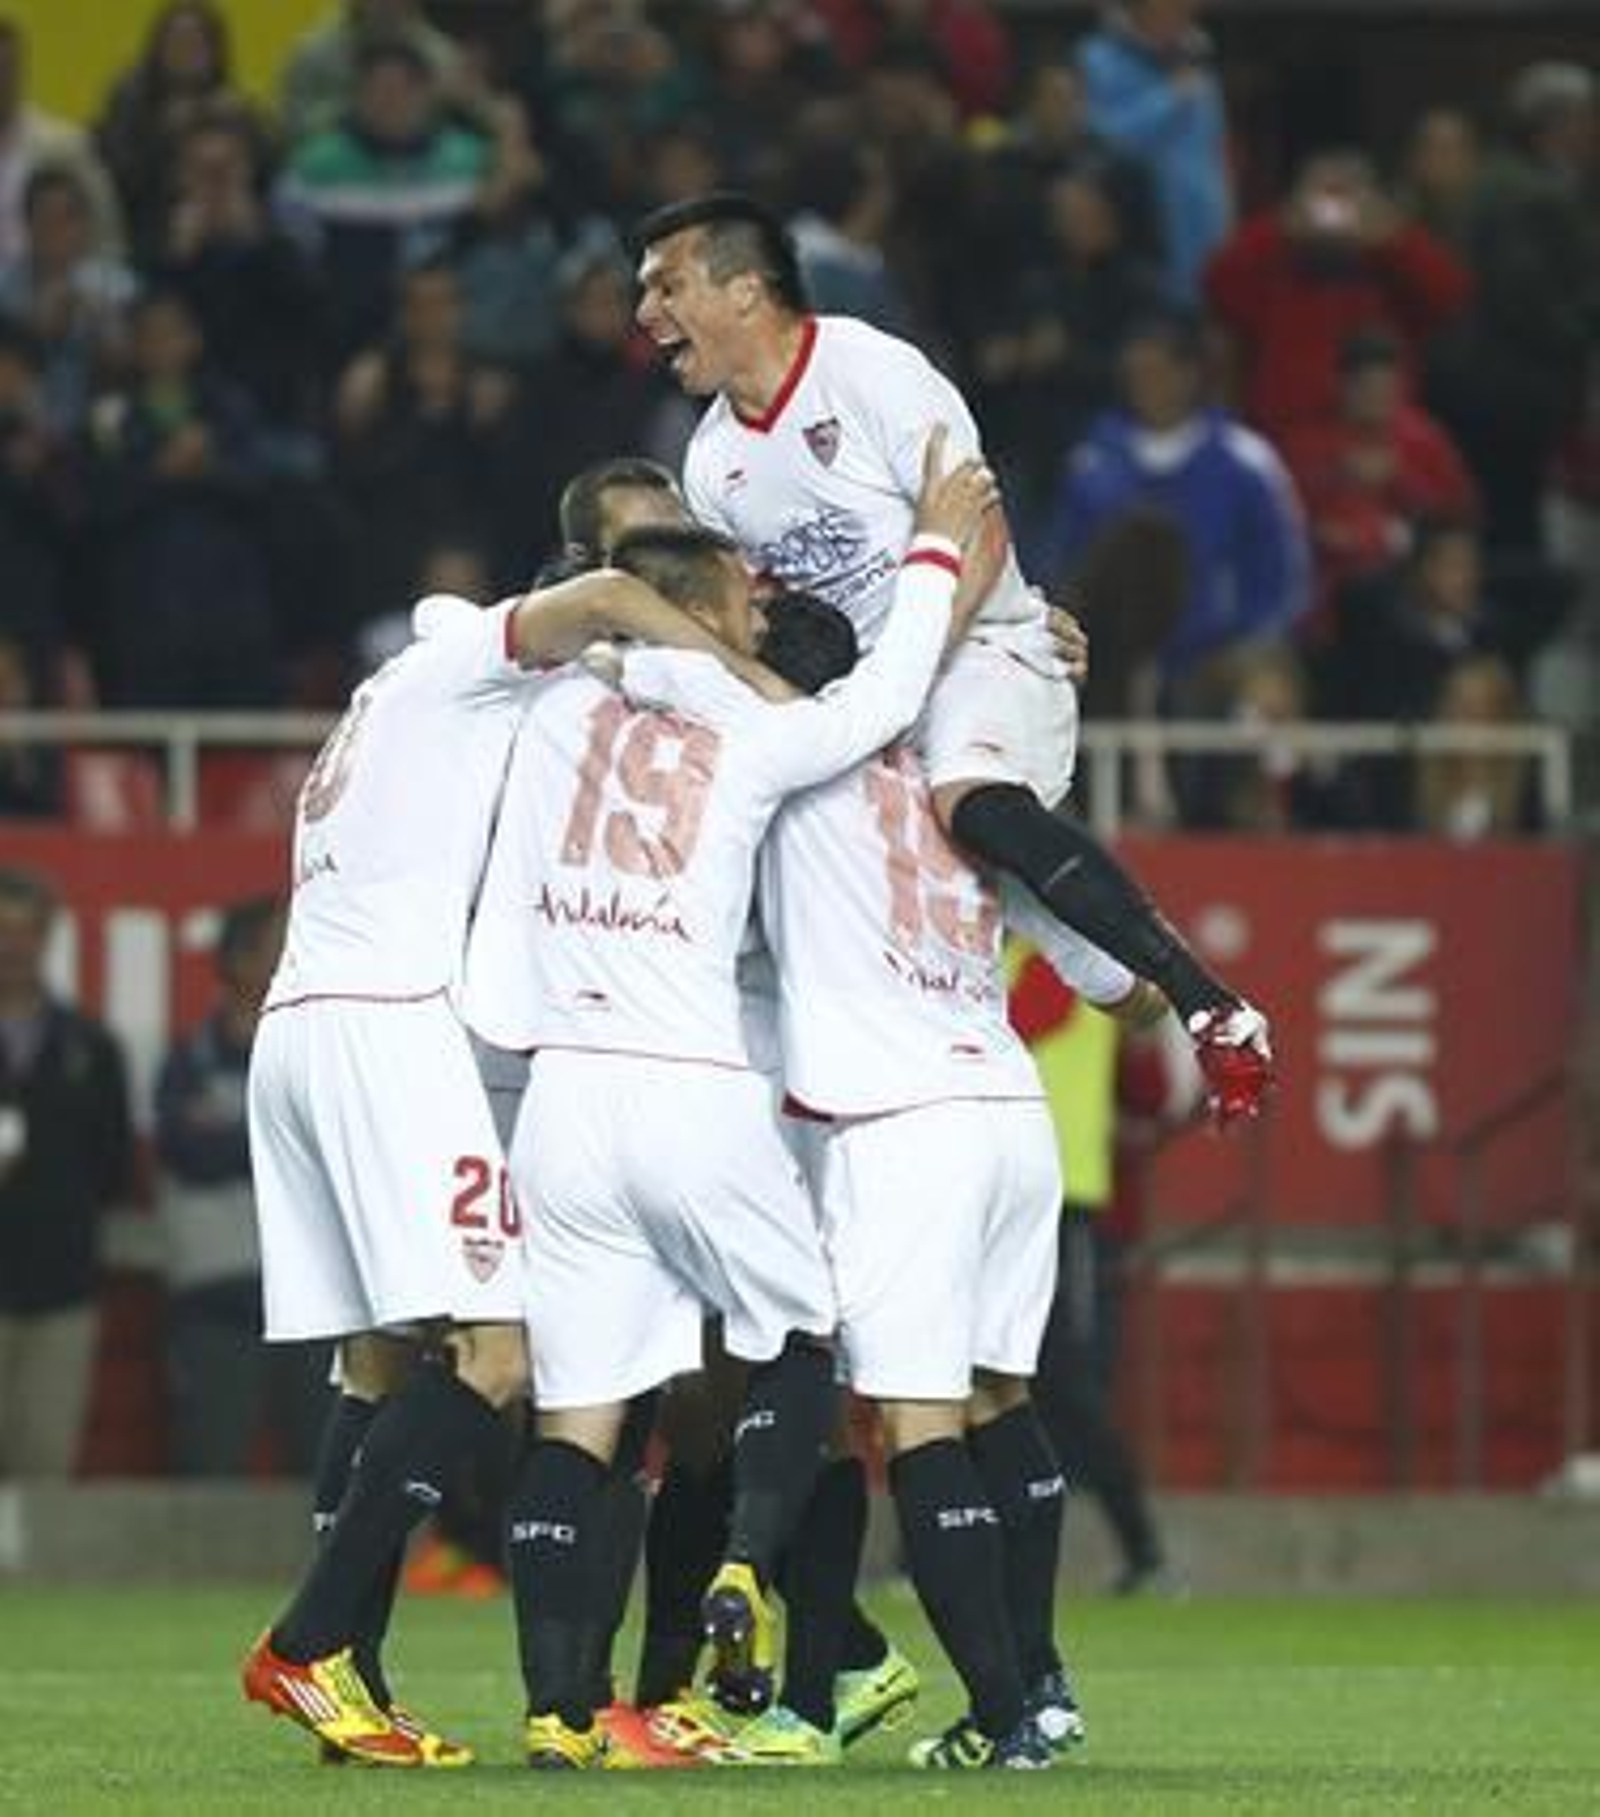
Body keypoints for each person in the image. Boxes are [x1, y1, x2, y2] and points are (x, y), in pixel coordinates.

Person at [460, 430, 997, 1768]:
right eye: (743, 595)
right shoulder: (763, 731)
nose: (762, 603)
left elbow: (505, 633)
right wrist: (942, 550)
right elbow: (888, 694)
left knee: (579, 1415)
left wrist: (609, 626)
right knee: (802, 1332)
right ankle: (753, 1566)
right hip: (697, 1084)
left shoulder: (551, 705)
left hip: (563, 1102)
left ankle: (557, 1712)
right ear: (709, 614)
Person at [237, 540, 765, 1767]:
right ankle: (309, 1643)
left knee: (380, 1364)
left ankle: (346, 1683)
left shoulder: (390, 695)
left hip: (304, 1022)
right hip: (389, 1024)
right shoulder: (468, 667)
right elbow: (594, 604)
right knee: (495, 1351)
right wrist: (728, 667)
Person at [633, 190, 1272, 1122]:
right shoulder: (710, 464)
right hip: (874, 700)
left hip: (982, 645)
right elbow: (763, 615)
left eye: (666, 286)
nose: (646, 314)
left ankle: (1215, 1005)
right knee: (967, 873)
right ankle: (1131, 999)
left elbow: (978, 531)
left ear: (744, 289)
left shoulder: (872, 371)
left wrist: (904, 678)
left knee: (963, 797)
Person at [700, 597, 1165, 1770]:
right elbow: (1129, 988)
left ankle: (1006, 1716)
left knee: (910, 1418)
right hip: (1011, 1112)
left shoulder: (780, 774)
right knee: (1000, 1398)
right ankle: (1042, 1684)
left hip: (899, 1121)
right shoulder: (954, 783)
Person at [156, 894, 331, 1477]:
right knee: (208, 1467)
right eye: (279, 943)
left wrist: (238, 1137)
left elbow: (337, 1157)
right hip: (218, 1296)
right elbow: (188, 1153)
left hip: (316, 1295)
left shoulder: (323, 1055)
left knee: (327, 1473)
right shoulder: (188, 1059)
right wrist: (283, 1138)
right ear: (236, 959)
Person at [0, 866, 133, 1479]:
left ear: (48, 937)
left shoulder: (92, 1046)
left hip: (61, 1284)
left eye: (27, 931)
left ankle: (33, 1583)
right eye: (3, 930)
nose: (13, 945)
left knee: (45, 1460)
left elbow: (114, 1166)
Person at [1075, 0, 1231, 302]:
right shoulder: (1097, 57)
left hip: (1204, 226)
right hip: (1135, 228)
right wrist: (1169, 99)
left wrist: (1225, 215)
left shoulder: (1196, 62)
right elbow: (1099, 136)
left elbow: (1215, 151)